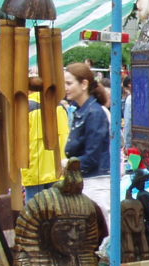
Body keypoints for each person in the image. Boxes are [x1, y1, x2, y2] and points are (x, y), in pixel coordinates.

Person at [63, 62, 112, 218]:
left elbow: (93, 156)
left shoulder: (94, 113)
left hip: (96, 184)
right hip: (88, 181)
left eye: (69, 83)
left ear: (84, 84)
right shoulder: (82, 110)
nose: (65, 87)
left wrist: (69, 164)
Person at [23, 73, 70, 201]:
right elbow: (65, 135)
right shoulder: (59, 106)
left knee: (34, 213)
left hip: (34, 169)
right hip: (57, 167)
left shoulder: (24, 107)